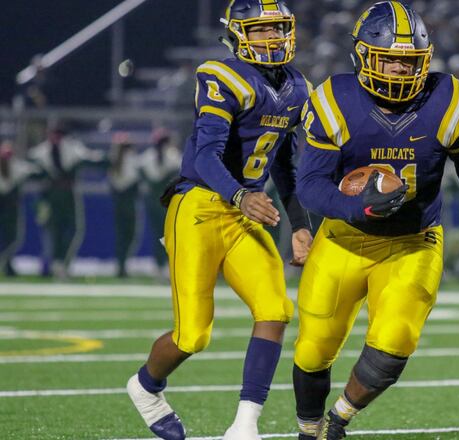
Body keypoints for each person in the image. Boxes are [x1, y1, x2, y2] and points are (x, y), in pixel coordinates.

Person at [291, 2, 459, 439]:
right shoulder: (335, 99)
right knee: (314, 349)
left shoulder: (449, 100)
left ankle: (339, 419)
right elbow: (310, 184)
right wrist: (356, 208)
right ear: (363, 55)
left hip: (414, 240)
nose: (399, 71)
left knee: (395, 342)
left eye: (409, 62)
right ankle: (307, 429)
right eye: (389, 58)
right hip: (344, 238)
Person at [125, 2, 313, 439]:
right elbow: (207, 155)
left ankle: (245, 426)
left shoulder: (298, 86)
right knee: (193, 336)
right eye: (260, 30)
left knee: (275, 309)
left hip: (244, 210)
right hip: (200, 207)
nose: (272, 38)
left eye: (277, 29)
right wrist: (242, 195)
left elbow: (286, 165)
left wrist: (301, 224)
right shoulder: (221, 75)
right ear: (237, 34)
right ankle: (146, 387)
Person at [27, 123, 105, 278]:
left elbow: (91, 158)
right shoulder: (41, 152)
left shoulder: (72, 149)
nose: (55, 138)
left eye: (58, 135)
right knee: (51, 231)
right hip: (49, 196)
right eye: (53, 134)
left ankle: (60, 262)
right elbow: (31, 170)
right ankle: (52, 264)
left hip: (68, 194)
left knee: (73, 229)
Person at [139, 128, 182, 279]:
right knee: (169, 235)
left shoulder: (146, 157)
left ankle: (159, 265)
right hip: (167, 201)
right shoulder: (173, 156)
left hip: (152, 201)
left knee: (158, 234)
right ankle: (167, 266)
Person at [0, 142, 39, 276]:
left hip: (11, 209)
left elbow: (35, 171)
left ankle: (7, 264)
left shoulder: (17, 166)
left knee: (14, 238)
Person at [108, 132, 140, 278]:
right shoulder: (131, 161)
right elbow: (133, 182)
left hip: (118, 203)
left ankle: (121, 265)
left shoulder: (114, 162)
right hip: (129, 203)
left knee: (121, 235)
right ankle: (122, 265)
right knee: (130, 235)